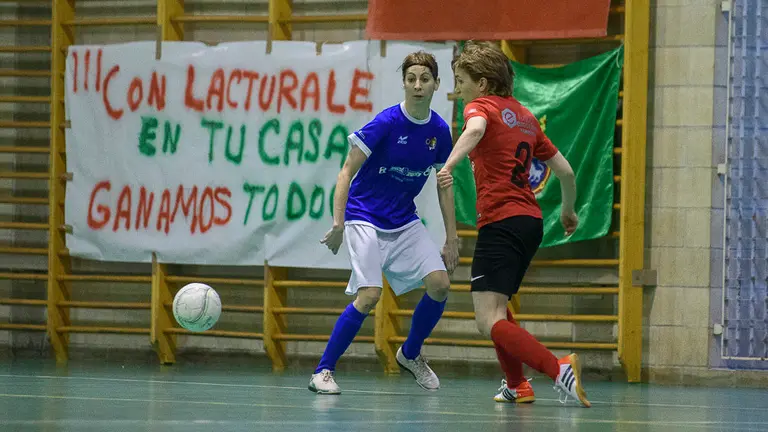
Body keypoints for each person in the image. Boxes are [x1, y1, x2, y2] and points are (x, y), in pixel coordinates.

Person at [436, 41, 591, 408]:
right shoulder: (525, 116)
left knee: (487, 319)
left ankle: (558, 369)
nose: (459, 91)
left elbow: (473, 130)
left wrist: (450, 163)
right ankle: (517, 383)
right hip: (530, 222)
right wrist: (568, 211)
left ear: (484, 84)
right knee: (499, 306)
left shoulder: (481, 107)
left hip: (502, 222)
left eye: (462, 82)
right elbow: (566, 171)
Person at [309, 51, 460, 395]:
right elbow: (346, 171)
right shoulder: (387, 123)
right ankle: (323, 371)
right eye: (411, 79)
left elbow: (444, 183)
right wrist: (337, 223)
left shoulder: (439, 130)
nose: (418, 85)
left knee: (440, 284)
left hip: (403, 220)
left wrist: (452, 237)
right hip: (364, 217)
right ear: (404, 84)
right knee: (370, 295)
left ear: (437, 84)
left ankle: (410, 353)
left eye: (425, 79)